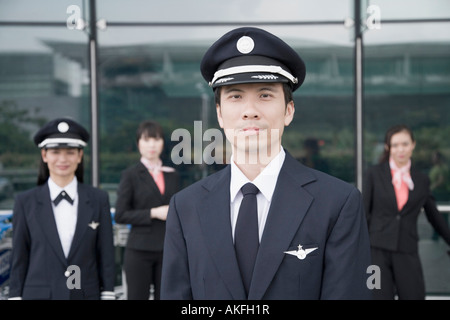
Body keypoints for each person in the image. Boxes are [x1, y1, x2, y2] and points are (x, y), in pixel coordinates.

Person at [160, 27, 372, 300]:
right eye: (235, 96)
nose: (250, 111)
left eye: (265, 95)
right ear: (219, 114)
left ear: (289, 111)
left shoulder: (338, 204)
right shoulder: (186, 207)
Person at [8, 118, 115, 300]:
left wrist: (108, 293)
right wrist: (15, 296)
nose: (63, 159)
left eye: (70, 152)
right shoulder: (25, 202)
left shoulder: (99, 199)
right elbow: (19, 255)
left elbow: (105, 253)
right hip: (39, 295)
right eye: (55, 152)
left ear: (80, 156)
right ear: (44, 155)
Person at [363, 124, 450, 300]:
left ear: (413, 145)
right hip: (377, 251)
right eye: (395, 145)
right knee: (377, 296)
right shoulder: (373, 174)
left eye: (404, 144)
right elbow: (364, 213)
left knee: (414, 295)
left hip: (407, 248)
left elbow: (434, 216)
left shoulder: (421, 180)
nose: (400, 149)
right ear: (388, 147)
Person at [114, 120, 180, 300]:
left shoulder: (172, 174)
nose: (152, 145)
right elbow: (120, 214)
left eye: (157, 139)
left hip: (168, 249)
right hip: (139, 250)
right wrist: (153, 213)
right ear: (138, 144)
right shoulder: (131, 175)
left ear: (163, 143)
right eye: (147, 140)